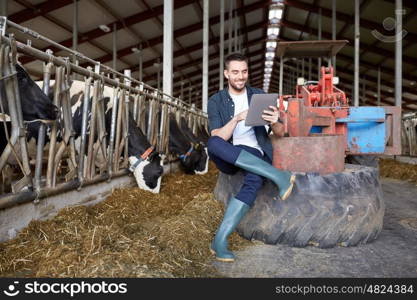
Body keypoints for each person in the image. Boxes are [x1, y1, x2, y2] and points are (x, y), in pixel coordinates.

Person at [207, 53, 295, 262]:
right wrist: (237, 118)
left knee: (254, 180)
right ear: (226, 74)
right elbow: (218, 136)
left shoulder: (260, 96)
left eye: (244, 71)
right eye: (235, 72)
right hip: (228, 153)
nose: (240, 76)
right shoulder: (216, 100)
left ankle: (219, 241)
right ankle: (278, 176)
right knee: (213, 142)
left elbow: (280, 133)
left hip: (254, 152)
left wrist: (275, 121)